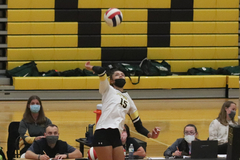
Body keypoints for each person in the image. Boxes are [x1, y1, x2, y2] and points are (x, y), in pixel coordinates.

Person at [85, 61, 160, 160]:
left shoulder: (129, 100)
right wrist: (91, 67)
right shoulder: (107, 89)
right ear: (111, 80)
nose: (121, 76)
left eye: (123, 75)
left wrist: (151, 135)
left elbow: (138, 125)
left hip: (116, 134)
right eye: (117, 75)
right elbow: (102, 71)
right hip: (103, 132)